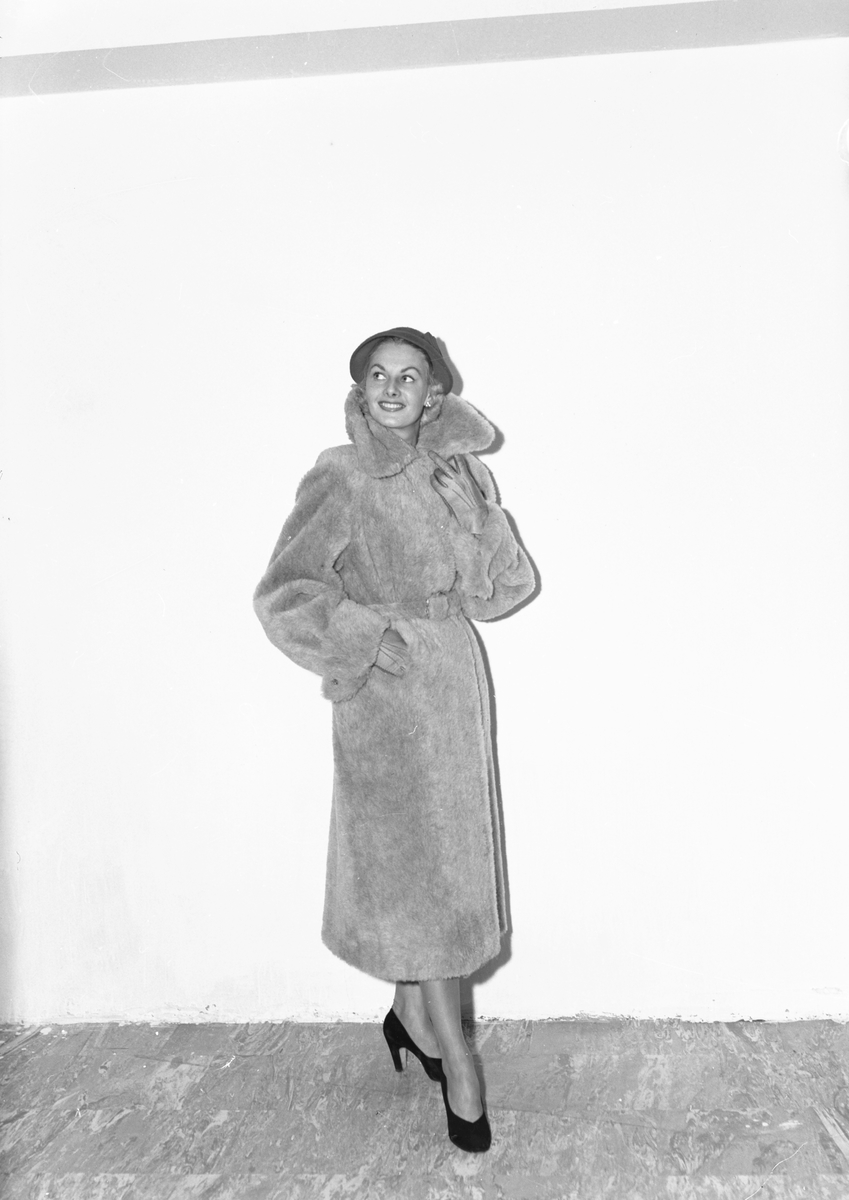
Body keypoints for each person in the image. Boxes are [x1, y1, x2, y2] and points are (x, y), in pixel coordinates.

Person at [253, 327, 534, 1152]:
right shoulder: (340, 475)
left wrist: (479, 518)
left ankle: (411, 1015)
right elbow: (284, 592)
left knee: (444, 871)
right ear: (360, 389)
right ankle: (459, 1059)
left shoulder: (465, 473)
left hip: (452, 690)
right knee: (423, 880)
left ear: (434, 392)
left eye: (408, 376)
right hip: (383, 700)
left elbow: (502, 592)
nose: (390, 387)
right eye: (376, 374)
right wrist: (366, 638)